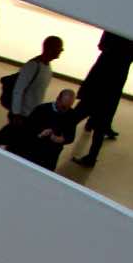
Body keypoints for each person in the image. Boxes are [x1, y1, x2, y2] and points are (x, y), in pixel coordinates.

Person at [73, 31, 133, 168]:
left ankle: (55, 137)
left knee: (76, 115)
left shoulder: (115, 27)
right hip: (114, 84)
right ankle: (92, 157)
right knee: (100, 124)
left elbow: (102, 46)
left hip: (101, 79)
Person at [14, 89, 78, 170]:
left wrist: (62, 139)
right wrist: (40, 134)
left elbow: (71, 137)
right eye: (63, 107)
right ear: (57, 99)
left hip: (51, 155)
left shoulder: (71, 115)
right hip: (33, 150)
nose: (65, 110)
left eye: (68, 107)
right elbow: (26, 129)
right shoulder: (41, 109)